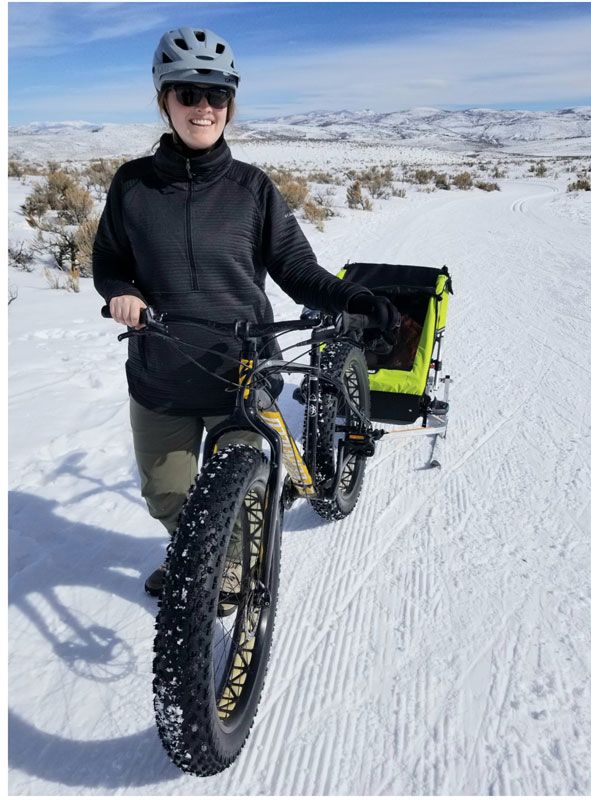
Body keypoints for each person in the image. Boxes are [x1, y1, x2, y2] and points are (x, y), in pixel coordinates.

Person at [93, 27, 398, 596]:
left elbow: (296, 268)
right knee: (166, 493)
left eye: (217, 95)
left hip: (241, 371)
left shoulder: (252, 189)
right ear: (164, 100)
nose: (203, 107)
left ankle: (226, 563)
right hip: (160, 371)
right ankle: (198, 552)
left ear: (230, 105)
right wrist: (120, 292)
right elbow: (108, 262)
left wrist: (353, 298)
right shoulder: (132, 186)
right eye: (188, 93)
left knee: (239, 494)